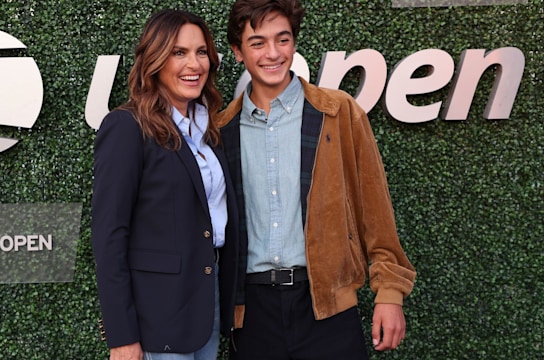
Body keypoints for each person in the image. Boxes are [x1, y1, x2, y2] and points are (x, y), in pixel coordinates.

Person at [216, 0, 416, 359]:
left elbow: (375, 209)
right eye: (258, 42)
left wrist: (390, 292)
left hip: (328, 308)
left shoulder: (338, 112)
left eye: (283, 39)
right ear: (237, 52)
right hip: (252, 315)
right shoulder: (221, 130)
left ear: (294, 43)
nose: (273, 53)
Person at [92, 9, 239, 360]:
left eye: (201, 52)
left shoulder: (207, 130)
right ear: (155, 60)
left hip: (205, 305)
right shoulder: (126, 126)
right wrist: (122, 336)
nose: (194, 64)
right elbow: (109, 235)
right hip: (156, 318)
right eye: (179, 52)